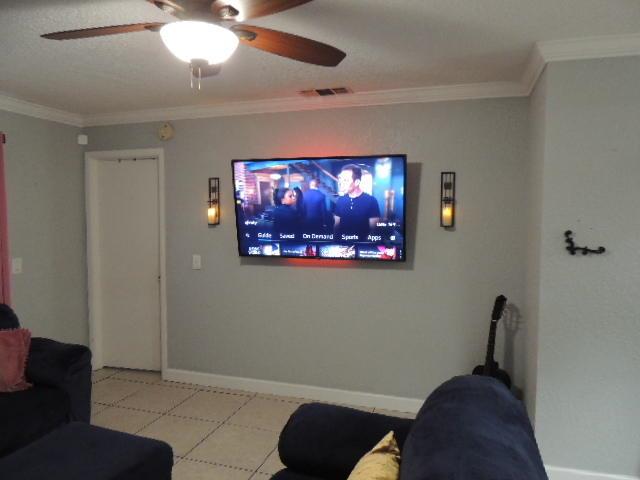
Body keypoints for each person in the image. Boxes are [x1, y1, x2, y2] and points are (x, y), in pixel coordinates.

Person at [334, 164, 380, 241]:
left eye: (345, 180)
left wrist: (362, 245)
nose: (341, 183)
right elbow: (336, 226)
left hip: (363, 246)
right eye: (340, 179)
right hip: (342, 245)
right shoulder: (340, 200)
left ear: (357, 182)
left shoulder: (371, 201)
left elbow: (373, 231)